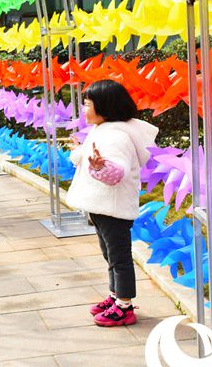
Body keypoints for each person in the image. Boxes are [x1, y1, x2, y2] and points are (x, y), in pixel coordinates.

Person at [66, 80, 158, 327]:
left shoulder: (116, 136)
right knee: (110, 254)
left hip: (113, 207)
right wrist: (81, 152)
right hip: (101, 206)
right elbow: (86, 154)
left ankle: (125, 306)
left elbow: (117, 171)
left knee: (119, 257)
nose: (83, 110)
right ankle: (116, 296)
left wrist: (100, 166)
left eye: (87, 105)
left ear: (104, 107)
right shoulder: (102, 129)